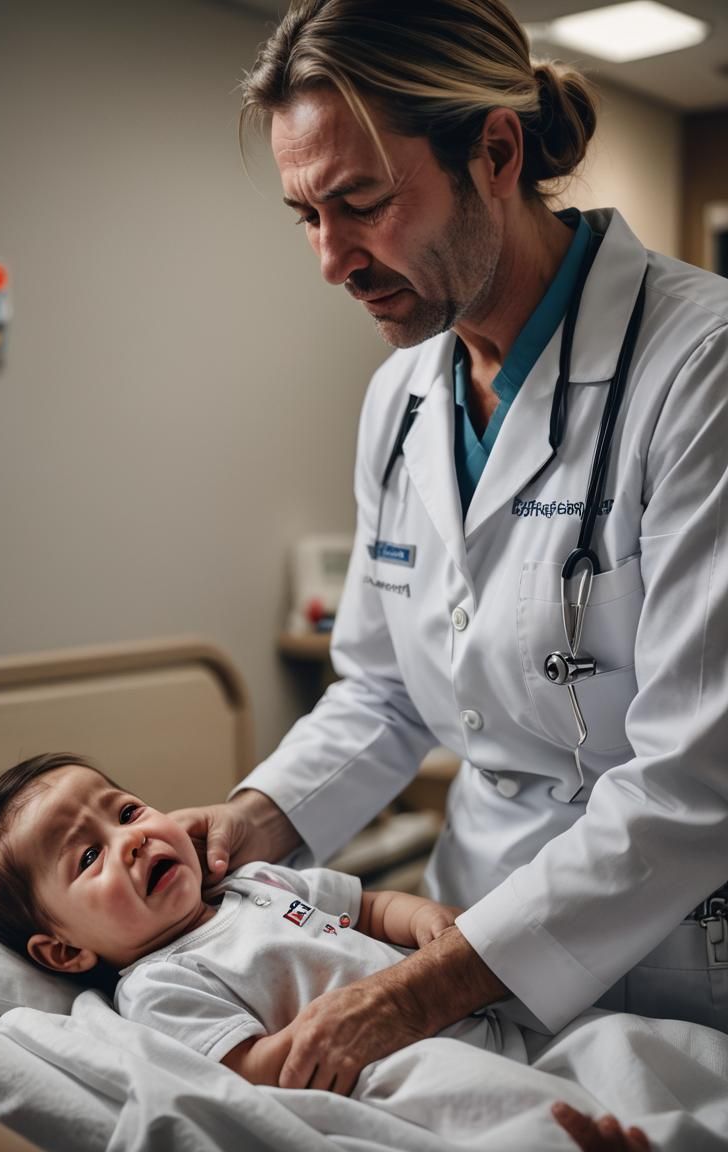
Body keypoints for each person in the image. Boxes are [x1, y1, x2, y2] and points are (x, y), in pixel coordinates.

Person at [172, 0, 728, 1097]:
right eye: (304, 216)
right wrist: (250, 822)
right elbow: (381, 694)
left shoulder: (696, 368)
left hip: (670, 967)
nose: (331, 260)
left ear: (494, 150)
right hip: (460, 928)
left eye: (361, 203)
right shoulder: (401, 398)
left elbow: (692, 777)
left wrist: (407, 992)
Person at [0, 752, 650, 1152]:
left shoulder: (253, 880)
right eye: (87, 856)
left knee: (629, 1048)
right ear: (65, 952)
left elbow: (370, 905)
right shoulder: (160, 984)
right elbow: (252, 1074)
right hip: (399, 1067)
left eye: (127, 810)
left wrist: (426, 922)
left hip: (482, 1016)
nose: (131, 839)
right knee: (530, 1123)